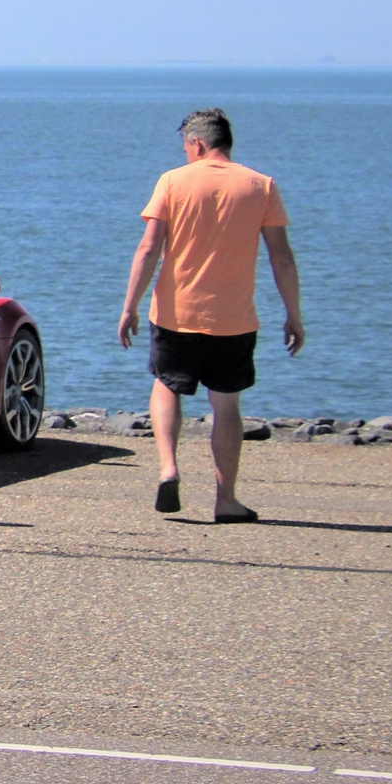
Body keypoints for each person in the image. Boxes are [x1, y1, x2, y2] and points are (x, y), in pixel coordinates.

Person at [117, 107, 304, 523]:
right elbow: (282, 258)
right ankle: (226, 499)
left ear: (197, 144)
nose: (185, 153)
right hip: (234, 318)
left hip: (174, 313)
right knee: (227, 408)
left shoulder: (172, 181)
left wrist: (129, 306)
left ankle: (169, 467)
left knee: (166, 386)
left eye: (186, 146)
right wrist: (294, 314)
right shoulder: (261, 185)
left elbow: (148, 249)